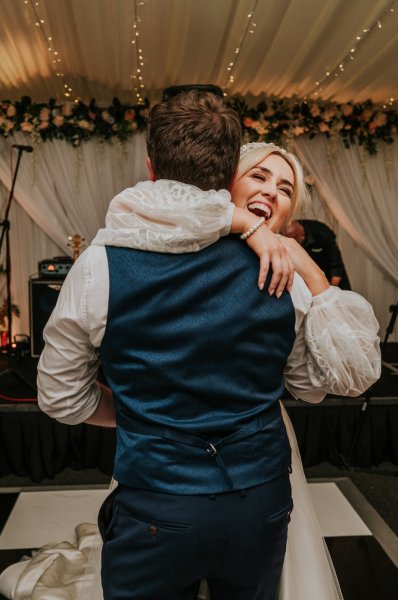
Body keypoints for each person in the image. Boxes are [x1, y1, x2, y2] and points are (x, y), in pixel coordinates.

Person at [36, 92, 380, 600]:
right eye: (259, 177)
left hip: (156, 502)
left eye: (284, 187)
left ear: (153, 169)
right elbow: (308, 389)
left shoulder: (101, 265)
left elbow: (61, 398)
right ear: (226, 179)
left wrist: (134, 414)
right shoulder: (283, 282)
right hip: (259, 499)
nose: (270, 193)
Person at [283, 219, 351, 289]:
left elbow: (336, 266)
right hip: (312, 280)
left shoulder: (323, 234)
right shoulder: (289, 234)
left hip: (332, 276)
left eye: (295, 241)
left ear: (302, 236)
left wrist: (331, 290)